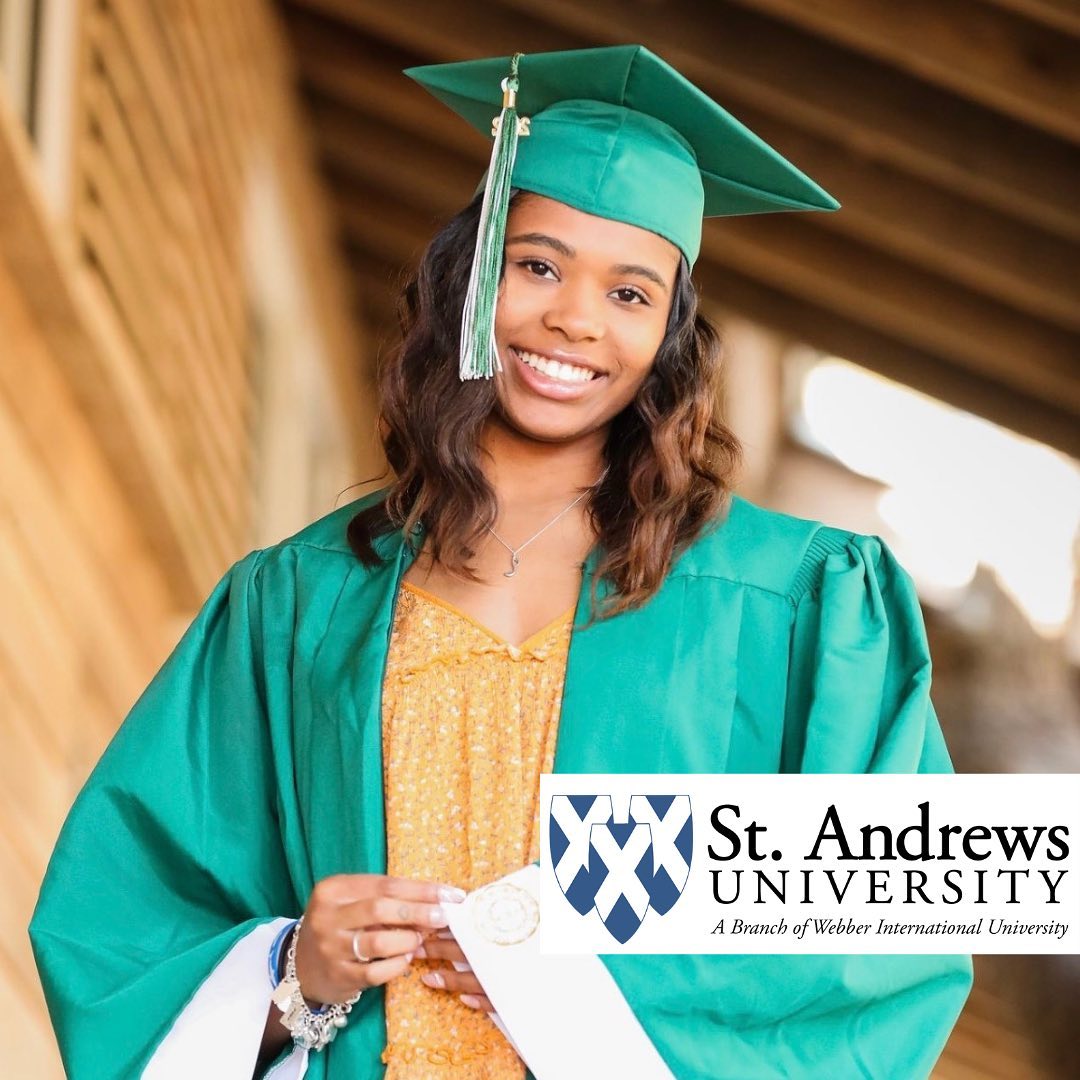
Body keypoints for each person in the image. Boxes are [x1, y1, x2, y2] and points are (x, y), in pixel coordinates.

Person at [30, 45, 972, 1080]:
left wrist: (578, 991)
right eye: (537, 265)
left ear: (668, 334)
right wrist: (293, 970)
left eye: (630, 293)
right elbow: (124, 918)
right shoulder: (296, 603)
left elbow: (891, 930)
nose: (574, 318)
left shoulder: (806, 601)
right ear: (467, 280)